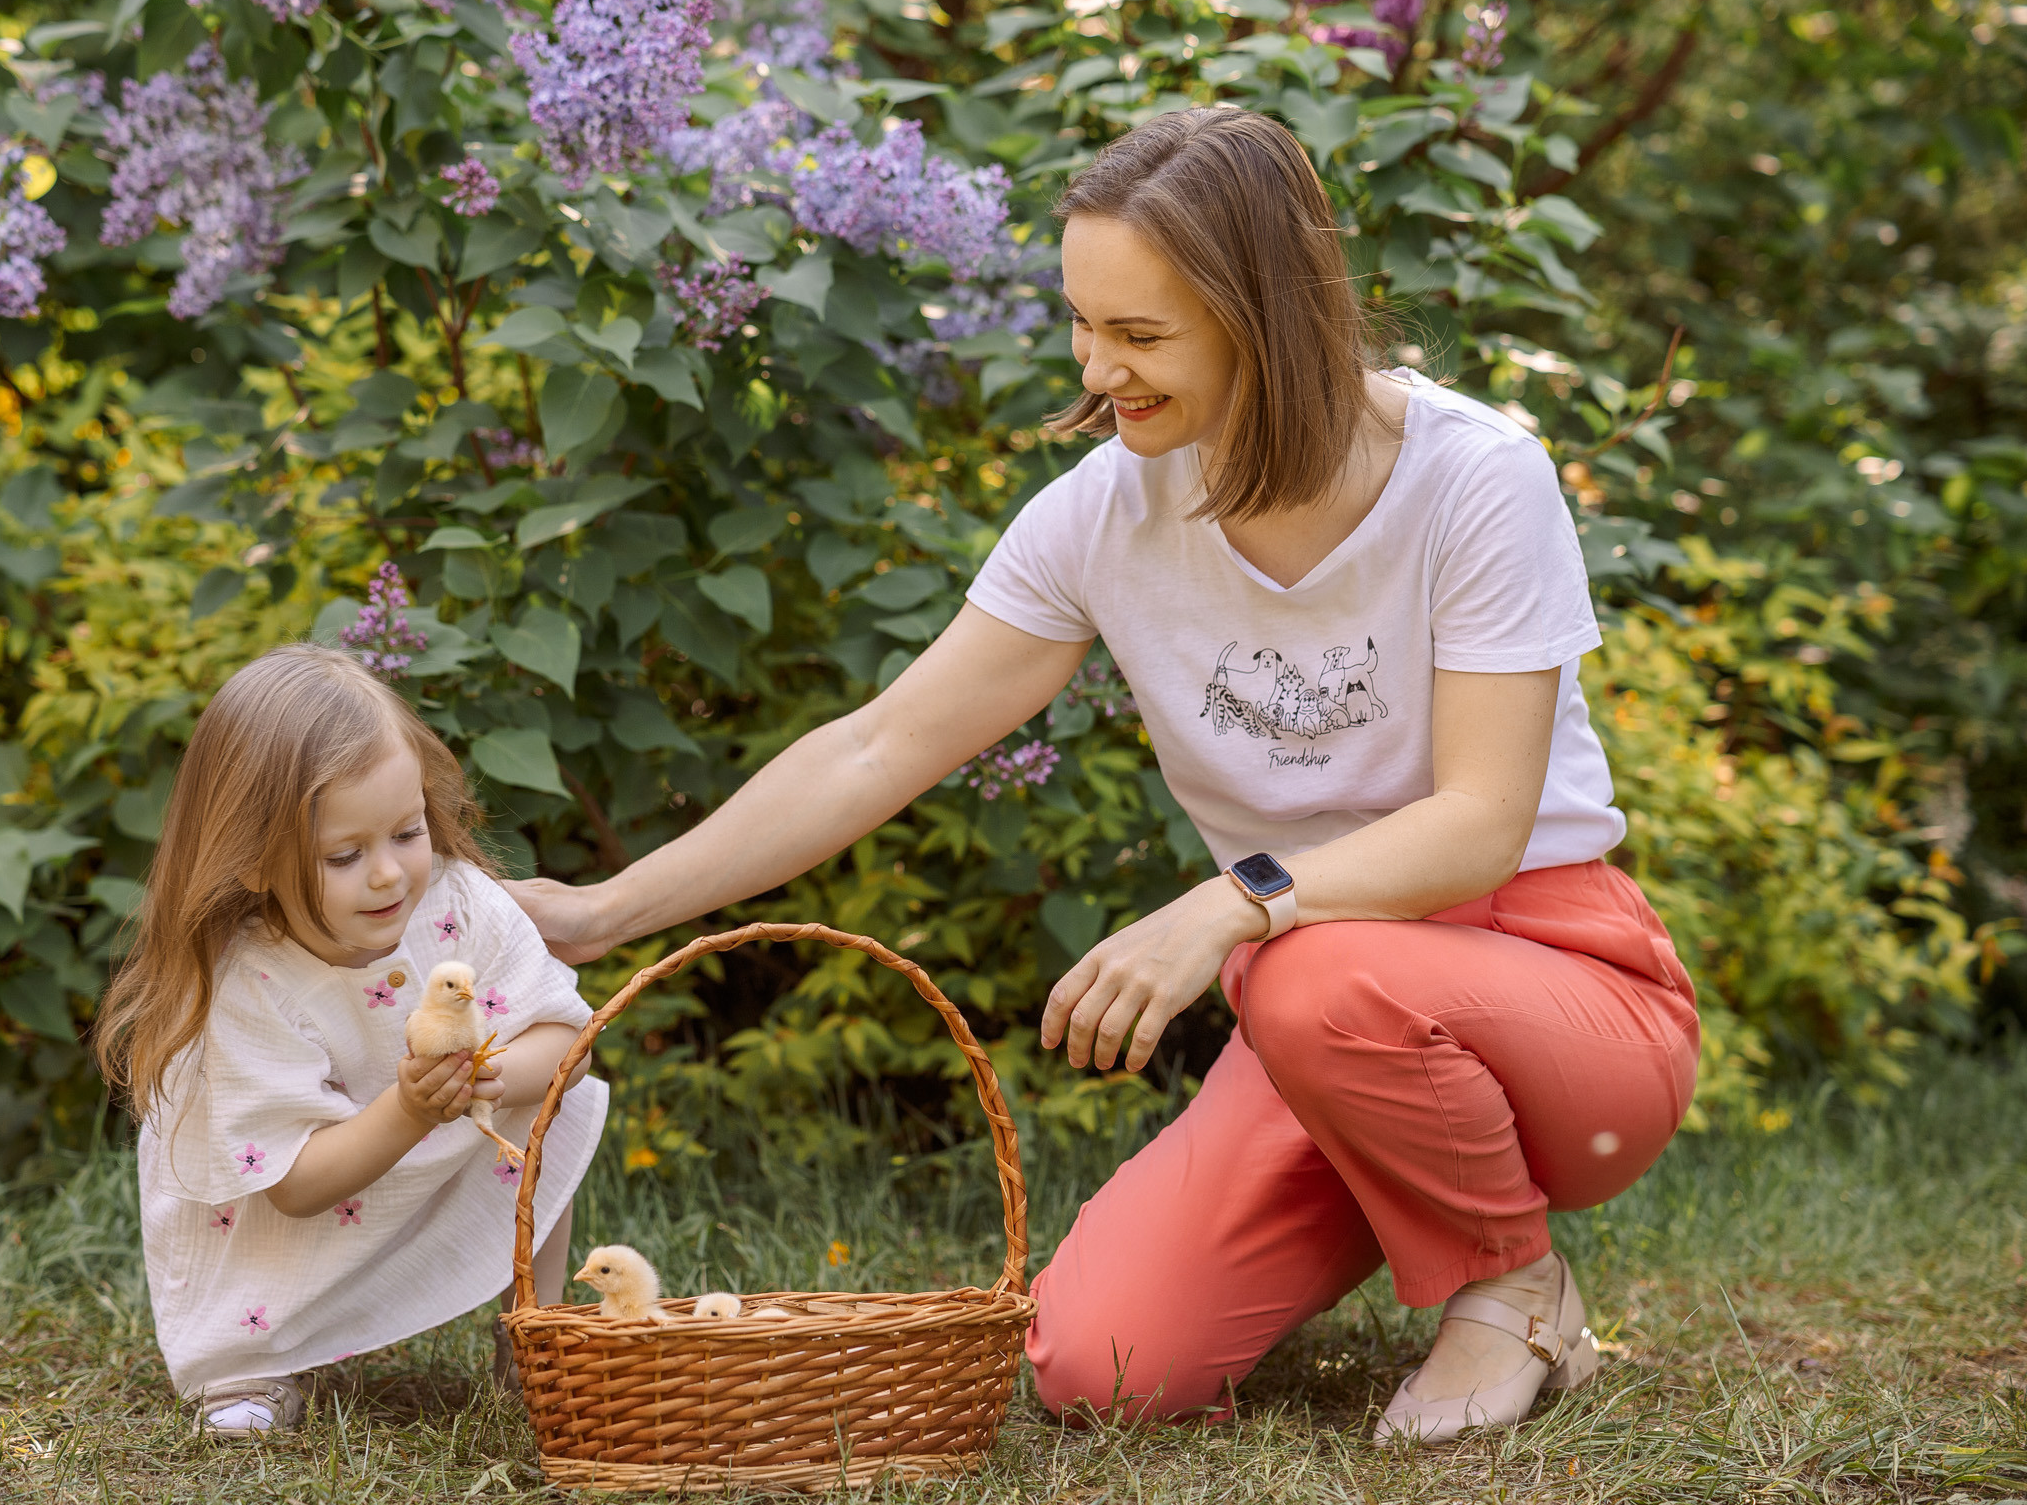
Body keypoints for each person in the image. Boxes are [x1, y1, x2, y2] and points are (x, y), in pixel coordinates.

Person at [507, 106, 1699, 1444]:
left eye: (1140, 334)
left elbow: (1480, 824)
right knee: (1103, 1366)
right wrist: (605, 912)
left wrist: (1231, 903)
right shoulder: (1104, 513)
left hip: (1559, 989)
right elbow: (879, 743)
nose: (1095, 367)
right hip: (1329, 1018)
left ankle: (1513, 1285)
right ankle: (1402, 1176)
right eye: (1082, 322)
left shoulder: (1475, 478)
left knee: (1307, 977)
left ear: (1266, 318)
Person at [93, 645, 605, 1436]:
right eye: (344, 855)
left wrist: (493, 1078)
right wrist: (410, 1109)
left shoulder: (459, 904)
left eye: (406, 831)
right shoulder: (252, 980)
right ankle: (251, 1369)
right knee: (250, 1314)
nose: (389, 875)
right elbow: (293, 1185)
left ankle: (534, 1339)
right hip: (287, 1209)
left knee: (550, 1105)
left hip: (421, 1157)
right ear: (253, 861)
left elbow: (570, 1040)